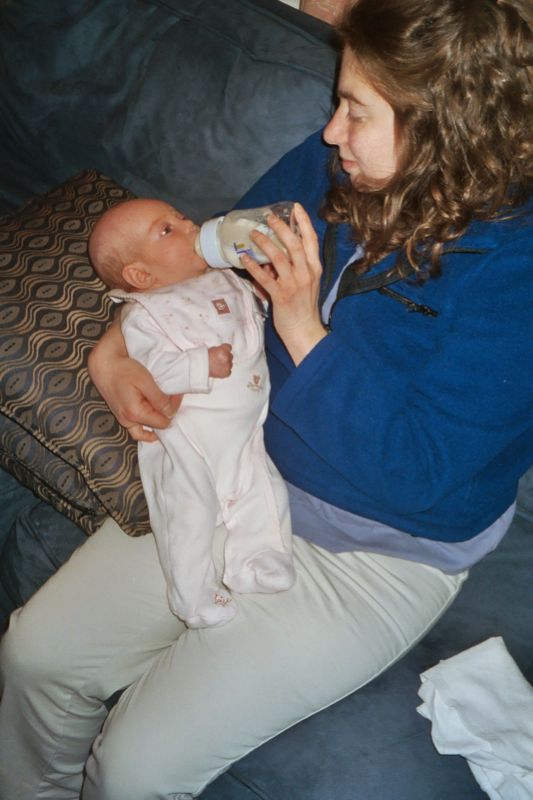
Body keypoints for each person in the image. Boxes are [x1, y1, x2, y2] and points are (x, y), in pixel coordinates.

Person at [1, 0, 532, 797]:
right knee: (34, 656)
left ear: (441, 131)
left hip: (377, 549)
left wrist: (298, 329)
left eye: (355, 110)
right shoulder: (339, 167)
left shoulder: (513, 277)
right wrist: (115, 341)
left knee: (133, 770)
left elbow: (420, 472)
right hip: (236, 462)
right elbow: (216, 246)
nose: (328, 133)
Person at [88, 198, 294, 628]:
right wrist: (200, 364)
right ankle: (192, 595)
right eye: (167, 231)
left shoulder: (227, 278)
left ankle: (257, 560)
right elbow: (152, 371)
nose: (187, 225)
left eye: (180, 216)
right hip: (188, 436)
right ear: (142, 276)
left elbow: (252, 319)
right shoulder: (147, 315)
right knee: (188, 514)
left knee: (265, 491)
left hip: (245, 428)